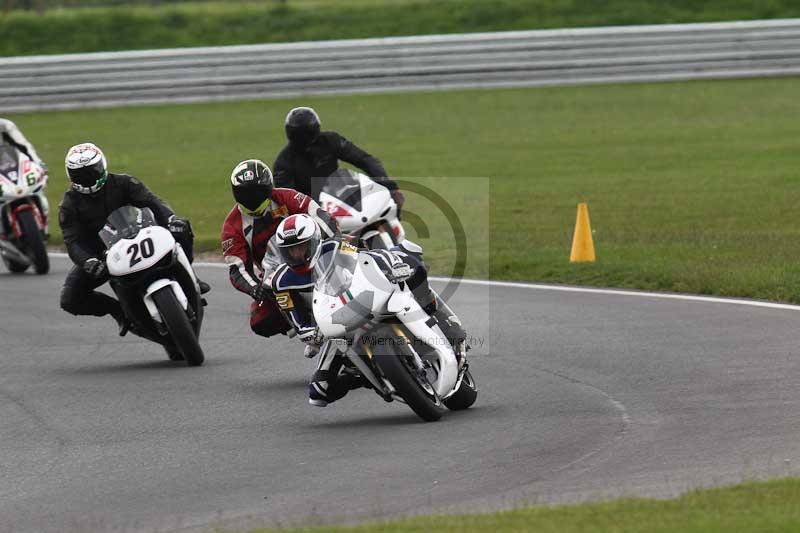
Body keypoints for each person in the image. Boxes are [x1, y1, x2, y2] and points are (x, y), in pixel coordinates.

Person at [269, 214, 467, 407]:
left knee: (412, 266)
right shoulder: (281, 281)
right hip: (331, 324)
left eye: (301, 247)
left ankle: (440, 318)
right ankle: (366, 376)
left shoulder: (335, 246)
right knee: (319, 391)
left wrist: (392, 265)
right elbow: (294, 318)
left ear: (314, 241)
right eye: (290, 251)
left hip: (362, 299)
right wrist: (309, 333)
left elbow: (370, 256)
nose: (296, 254)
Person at [58, 142, 209, 336]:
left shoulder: (124, 182)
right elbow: (73, 242)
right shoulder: (69, 205)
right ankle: (119, 311)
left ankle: (191, 276)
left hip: (141, 234)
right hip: (103, 255)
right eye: (81, 174)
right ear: (71, 176)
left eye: (92, 171)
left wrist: (171, 218)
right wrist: (88, 261)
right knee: (69, 299)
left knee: (181, 227)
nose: (88, 178)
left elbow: (153, 202)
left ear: (102, 165)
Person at [220, 159, 339, 339]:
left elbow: (320, 215)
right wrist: (255, 288)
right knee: (260, 321)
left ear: (268, 187)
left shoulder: (286, 197)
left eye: (257, 192)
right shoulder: (232, 226)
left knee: (347, 254)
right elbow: (237, 268)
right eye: (245, 194)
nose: (252, 199)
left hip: (313, 255)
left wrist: (335, 239)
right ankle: (302, 321)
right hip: (275, 271)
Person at [272, 107, 405, 210]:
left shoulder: (330, 141)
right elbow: (289, 202)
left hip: (341, 201)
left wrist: (390, 187)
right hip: (312, 213)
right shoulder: (284, 164)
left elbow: (364, 160)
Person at [0, 118, 50, 237]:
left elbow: (24, 146)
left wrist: (37, 163)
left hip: (7, 167)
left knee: (35, 184)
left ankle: (43, 223)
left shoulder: (5, 125)